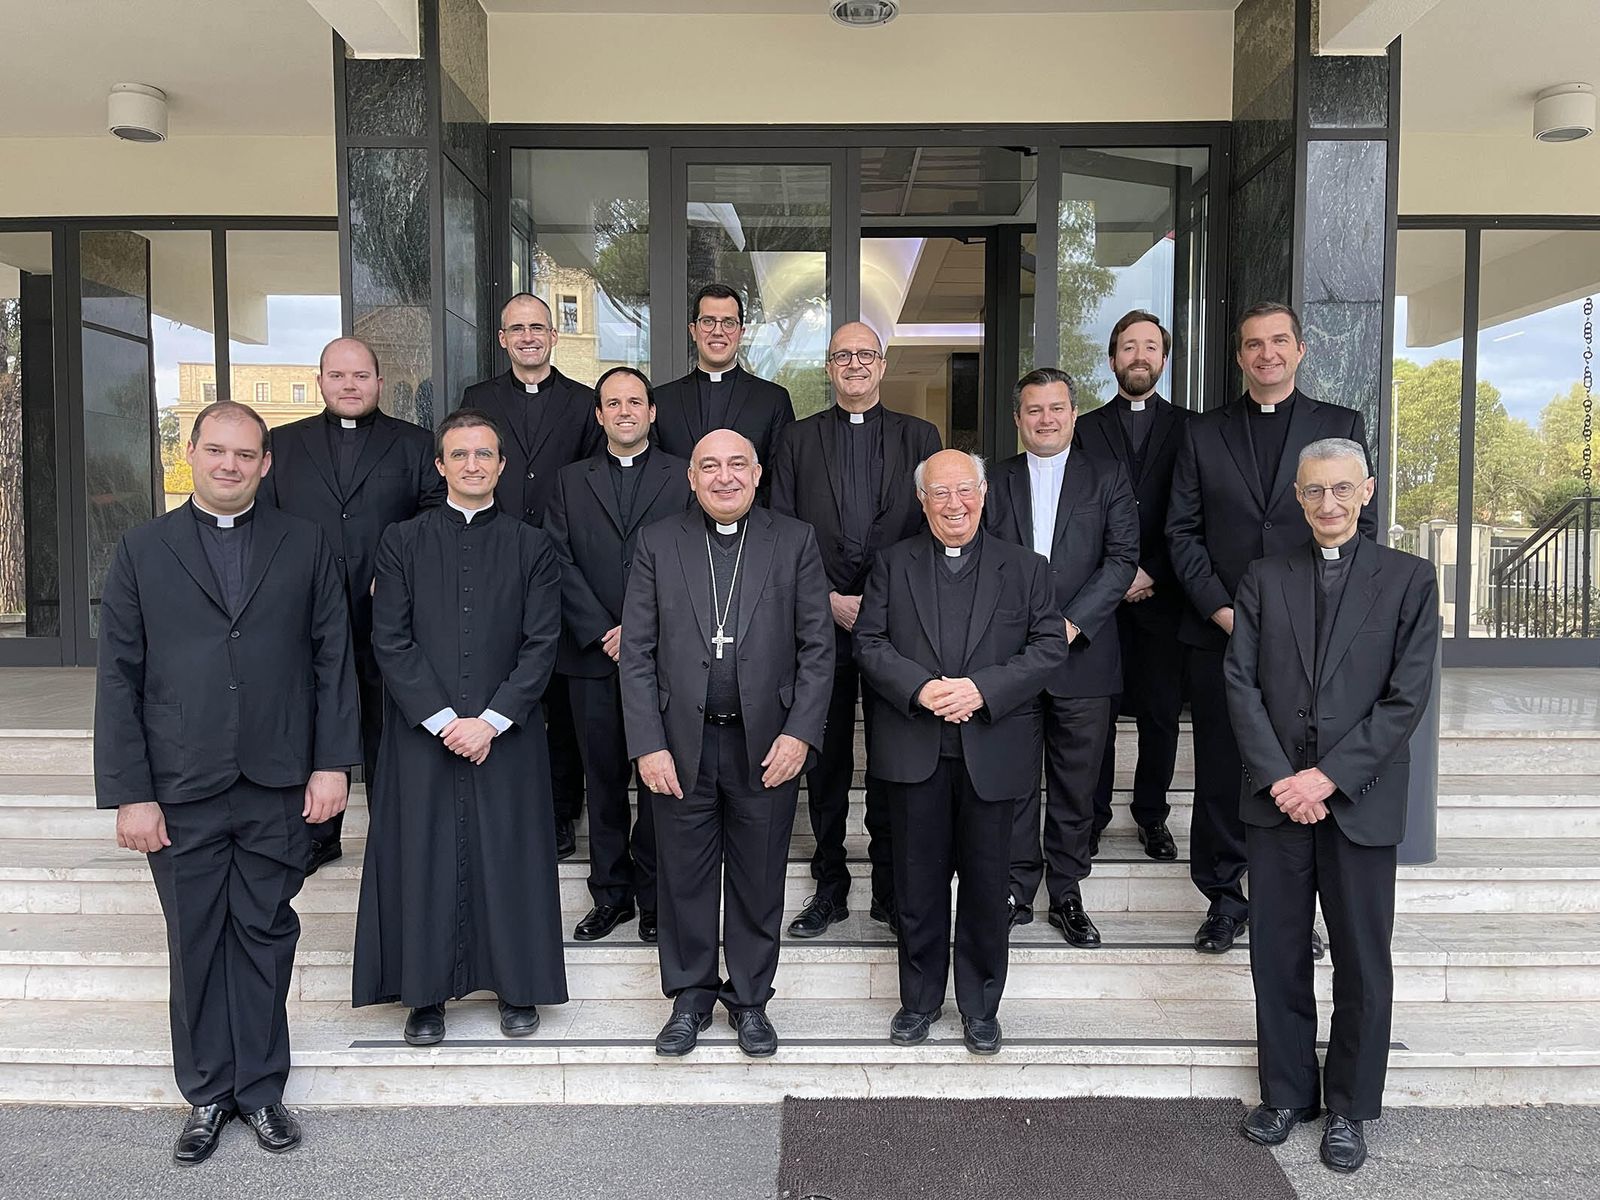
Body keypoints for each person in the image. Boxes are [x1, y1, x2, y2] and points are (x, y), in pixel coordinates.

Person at [95, 400, 359, 1165]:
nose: (230, 465)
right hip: (179, 786)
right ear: (192, 453)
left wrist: (331, 762)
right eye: (217, 451)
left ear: (266, 463)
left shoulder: (305, 544)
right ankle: (209, 1094)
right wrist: (130, 792)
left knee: (267, 934)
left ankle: (264, 1091)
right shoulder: (142, 550)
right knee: (197, 940)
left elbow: (331, 658)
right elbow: (118, 677)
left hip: (278, 778)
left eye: (246, 455)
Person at [1225, 438, 1438, 1174]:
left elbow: (1405, 698)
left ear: (1368, 490)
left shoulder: (1411, 580)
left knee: (1360, 959)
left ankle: (1348, 1106)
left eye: (1343, 490)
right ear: (1297, 495)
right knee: (1276, 955)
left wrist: (1327, 778)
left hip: (1359, 801)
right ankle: (1287, 1093)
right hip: (1275, 798)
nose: (1329, 504)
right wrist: (1286, 777)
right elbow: (1240, 685)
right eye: (1315, 491)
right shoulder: (1262, 578)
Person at [352, 408, 568, 1046]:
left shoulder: (532, 546)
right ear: (441, 465)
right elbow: (390, 640)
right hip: (425, 733)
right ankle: (425, 994)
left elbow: (542, 642)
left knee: (511, 857)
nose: (473, 465)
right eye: (460, 455)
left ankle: (518, 986)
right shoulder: (401, 542)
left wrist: (493, 721)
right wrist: (446, 721)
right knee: (422, 856)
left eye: (484, 454)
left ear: (501, 466)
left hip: (510, 732)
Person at [1167, 301, 1374, 954]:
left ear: (1301, 349)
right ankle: (1224, 901)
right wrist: (1225, 611)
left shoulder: (1339, 425)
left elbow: (1357, 529)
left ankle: (1290, 908)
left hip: (1309, 645)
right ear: (1239, 356)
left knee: (1296, 773)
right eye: (1253, 344)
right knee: (1223, 774)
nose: (1267, 354)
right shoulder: (1202, 433)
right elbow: (1181, 533)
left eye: (1279, 341)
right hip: (1218, 633)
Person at [620, 430, 833, 1058]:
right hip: (679, 746)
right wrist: (647, 744)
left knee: (758, 878)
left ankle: (750, 1001)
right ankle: (689, 1000)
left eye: (737, 464)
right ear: (691, 478)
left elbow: (819, 650)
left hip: (766, 745)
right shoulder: (659, 541)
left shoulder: (793, 541)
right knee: (682, 880)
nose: (724, 477)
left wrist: (800, 735)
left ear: (758, 472)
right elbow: (636, 654)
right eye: (709, 466)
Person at [855, 450, 1068, 1055]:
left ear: (984, 494)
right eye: (940, 493)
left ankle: (980, 1006)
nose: (954, 504)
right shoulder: (892, 565)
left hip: (992, 750)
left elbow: (1048, 647)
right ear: (921, 501)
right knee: (917, 885)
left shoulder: (1026, 568)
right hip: (914, 746)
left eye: (964, 490)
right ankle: (918, 1002)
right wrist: (922, 689)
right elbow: (868, 643)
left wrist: (982, 689)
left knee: (984, 886)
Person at [770, 320, 941, 939]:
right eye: (843, 356)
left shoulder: (920, 435)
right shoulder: (794, 440)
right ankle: (830, 883)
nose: (854, 365)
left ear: (883, 364)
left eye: (864, 355)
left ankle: (892, 888)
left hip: (901, 631)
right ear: (829, 367)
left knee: (896, 759)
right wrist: (829, 599)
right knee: (827, 764)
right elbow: (781, 534)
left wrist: (874, 604)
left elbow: (931, 529)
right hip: (820, 626)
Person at [258, 336, 444, 874]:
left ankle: (392, 831)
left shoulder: (413, 443)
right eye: (337, 375)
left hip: (385, 611)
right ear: (319, 382)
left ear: (380, 383)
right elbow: (265, 519)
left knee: (387, 719)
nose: (349, 385)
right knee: (312, 715)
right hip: (304, 614)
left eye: (361, 375)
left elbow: (434, 510)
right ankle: (318, 834)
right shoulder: (283, 444)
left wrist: (397, 571)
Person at [984, 370, 1138, 947]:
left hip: (1084, 656)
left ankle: (1067, 891)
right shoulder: (993, 480)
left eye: (1055, 409)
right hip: (1011, 661)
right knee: (1016, 781)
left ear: (1074, 414)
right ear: (1018, 418)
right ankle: (1017, 888)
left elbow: (1122, 559)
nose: (1044, 419)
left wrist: (1070, 624)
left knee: (1076, 783)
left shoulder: (1108, 476)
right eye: (1033, 410)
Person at [545, 367, 692, 943]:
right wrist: (605, 628)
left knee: (658, 781)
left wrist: (638, 628)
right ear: (599, 415)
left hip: (663, 660)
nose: (625, 411)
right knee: (602, 780)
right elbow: (557, 560)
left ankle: (656, 897)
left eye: (635, 401)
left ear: (652, 413)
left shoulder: (684, 476)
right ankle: (610, 896)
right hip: (591, 657)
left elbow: (692, 557)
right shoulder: (568, 481)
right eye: (613, 403)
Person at [462, 292, 601, 859]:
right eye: (516, 328)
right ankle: (502, 803)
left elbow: (592, 483)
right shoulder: (478, 399)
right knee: (498, 680)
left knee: (561, 696)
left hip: (563, 565)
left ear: (553, 336)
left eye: (537, 327)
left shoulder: (583, 401)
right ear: (502, 338)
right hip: (494, 559)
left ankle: (561, 811)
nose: (527, 336)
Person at [1075, 312, 1191, 861]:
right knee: (1097, 714)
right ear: (1113, 358)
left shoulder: (1194, 428)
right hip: (1099, 598)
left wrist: (1153, 571)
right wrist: (1116, 576)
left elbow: (1196, 515)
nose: (1139, 356)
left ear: (1163, 359)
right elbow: (1076, 514)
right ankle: (1092, 814)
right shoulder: (1083, 428)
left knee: (1161, 715)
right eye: (1128, 347)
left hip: (1165, 595)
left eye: (1150, 346)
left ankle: (1152, 814)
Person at [650, 283, 796, 480]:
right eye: (708, 321)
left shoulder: (773, 400)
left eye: (728, 322)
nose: (718, 331)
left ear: (741, 333)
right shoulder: (662, 401)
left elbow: (780, 480)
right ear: (693, 331)